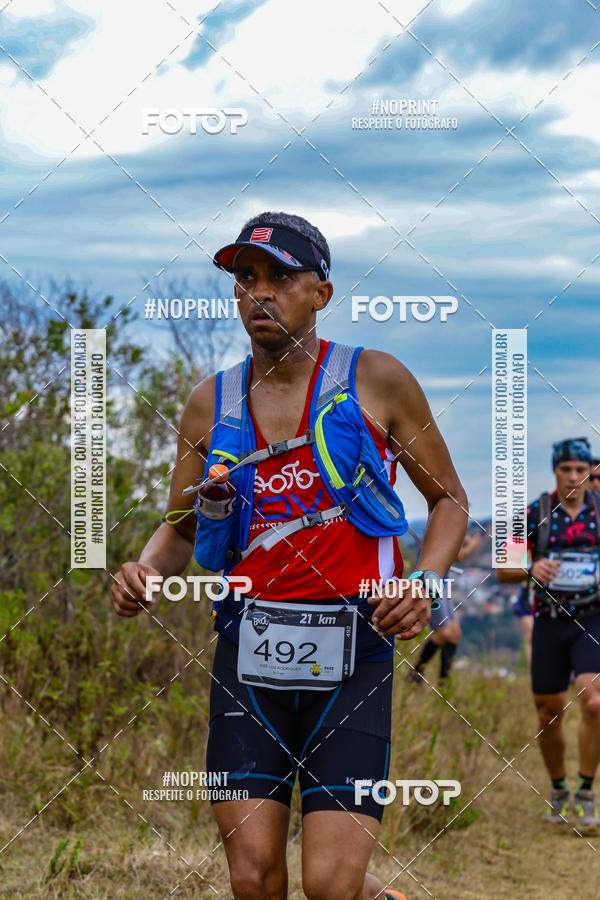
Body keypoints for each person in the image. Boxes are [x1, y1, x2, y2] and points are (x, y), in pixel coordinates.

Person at [111, 211, 468, 900]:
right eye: (246, 278)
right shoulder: (210, 402)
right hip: (247, 648)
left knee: (331, 886)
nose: (260, 292)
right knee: (254, 878)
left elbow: (448, 499)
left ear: (321, 292)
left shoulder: (376, 380)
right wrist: (145, 571)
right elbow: (180, 528)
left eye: (280, 276)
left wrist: (425, 582)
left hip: (355, 649)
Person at [498, 437, 600, 834]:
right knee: (548, 712)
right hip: (549, 621)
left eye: (581, 470)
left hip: (592, 619)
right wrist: (531, 568)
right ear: (555, 471)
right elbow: (504, 569)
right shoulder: (531, 515)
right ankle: (558, 788)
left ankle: (586, 792)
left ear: (589, 472)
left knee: (594, 701)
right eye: (566, 469)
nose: (574, 477)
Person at [409, 529, 482, 684]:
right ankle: (415, 673)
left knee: (455, 632)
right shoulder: (441, 526)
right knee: (444, 633)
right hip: (430, 584)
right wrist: (472, 545)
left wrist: (465, 542)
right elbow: (458, 556)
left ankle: (444, 682)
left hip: (441, 585)